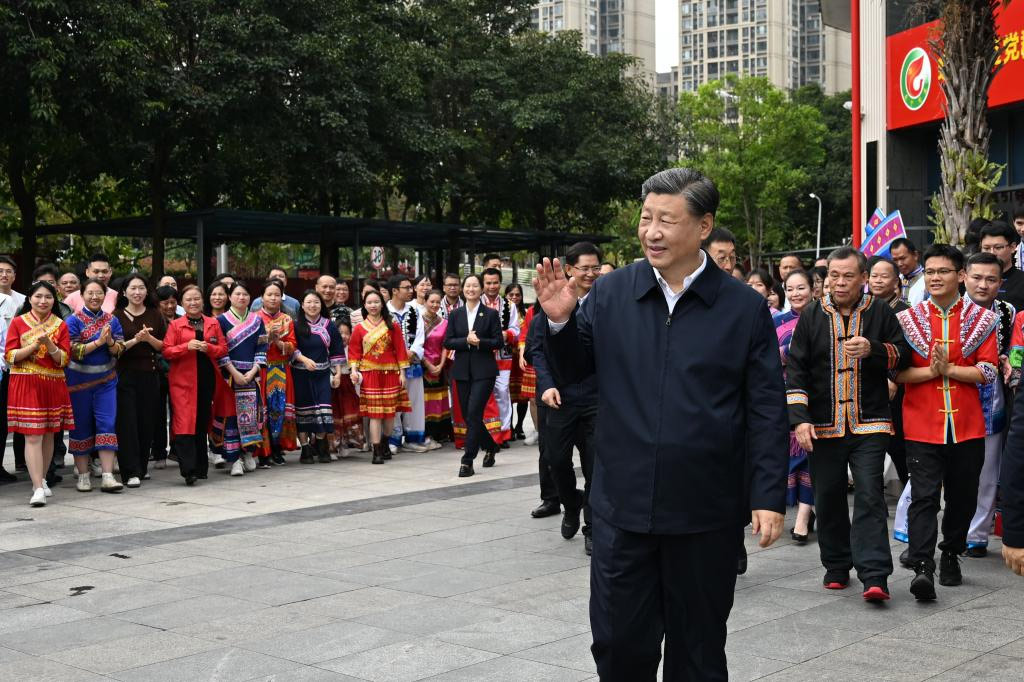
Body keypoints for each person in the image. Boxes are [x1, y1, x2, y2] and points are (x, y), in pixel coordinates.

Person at [534, 168, 787, 680]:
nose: (652, 231)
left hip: (704, 512)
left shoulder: (743, 308)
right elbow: (577, 373)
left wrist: (766, 495)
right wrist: (559, 323)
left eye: (667, 220)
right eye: (646, 218)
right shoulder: (610, 294)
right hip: (621, 509)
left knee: (697, 651)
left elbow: (765, 406)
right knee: (617, 643)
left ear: (703, 226)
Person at [786, 247, 909, 600]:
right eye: (833, 277)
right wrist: (799, 420)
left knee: (870, 494)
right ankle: (837, 565)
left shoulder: (881, 312)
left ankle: (875, 575)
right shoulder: (811, 316)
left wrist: (873, 349)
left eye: (848, 276)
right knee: (828, 495)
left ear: (864, 279)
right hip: (823, 425)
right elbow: (796, 370)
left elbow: (904, 353)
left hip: (870, 422)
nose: (839, 283)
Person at [895, 244, 998, 601]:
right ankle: (923, 566)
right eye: (930, 271)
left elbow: (988, 371)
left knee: (963, 497)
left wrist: (950, 369)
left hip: (968, 424)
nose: (935, 277)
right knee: (923, 497)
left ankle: (951, 551)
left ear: (960, 275)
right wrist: (931, 371)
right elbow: (899, 372)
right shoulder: (908, 320)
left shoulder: (982, 320)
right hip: (921, 424)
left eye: (943, 271)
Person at [530, 241, 603, 556]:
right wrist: (546, 385)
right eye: (584, 267)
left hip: (597, 400)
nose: (590, 273)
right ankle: (570, 502)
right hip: (559, 398)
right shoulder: (548, 306)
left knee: (595, 467)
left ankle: (592, 528)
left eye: (595, 267)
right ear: (569, 269)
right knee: (556, 460)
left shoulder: (608, 304)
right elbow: (536, 350)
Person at [961, 253, 1016, 558]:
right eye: (977, 277)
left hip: (992, 397)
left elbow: (1012, 349)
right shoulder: (949, 308)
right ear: (964, 277)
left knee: (987, 471)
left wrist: (1009, 362)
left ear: (1000, 282)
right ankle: (918, 530)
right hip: (953, 396)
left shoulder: (1007, 312)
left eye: (991, 279)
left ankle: (976, 536)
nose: (983, 285)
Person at [3, 281, 74, 506]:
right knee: (32, 435)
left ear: (55, 300)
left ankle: (41, 479)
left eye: (48, 297)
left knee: (48, 433)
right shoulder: (17, 323)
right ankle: (37, 487)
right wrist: (33, 347)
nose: (43, 301)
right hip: (25, 382)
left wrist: (49, 346)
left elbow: (63, 359)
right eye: (38, 296)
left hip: (52, 383)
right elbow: (10, 356)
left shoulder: (60, 325)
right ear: (30, 298)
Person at [163, 285, 228, 485]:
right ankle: (188, 470)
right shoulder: (176, 325)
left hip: (207, 378)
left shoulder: (212, 323)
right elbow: (167, 351)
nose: (193, 303)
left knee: (201, 422)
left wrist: (209, 347)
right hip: (182, 381)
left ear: (202, 301)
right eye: (189, 300)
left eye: (197, 299)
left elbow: (223, 348)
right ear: (182, 304)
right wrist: (186, 347)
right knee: (184, 423)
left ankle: (201, 468)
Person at [65, 279, 125, 493]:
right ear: (82, 295)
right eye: (90, 293)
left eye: (98, 293)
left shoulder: (112, 320)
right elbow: (73, 351)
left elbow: (119, 350)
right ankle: (83, 476)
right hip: (78, 383)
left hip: (106, 381)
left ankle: (108, 475)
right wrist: (98, 343)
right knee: (81, 426)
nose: (94, 297)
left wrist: (109, 343)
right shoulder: (73, 321)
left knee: (107, 423)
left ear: (104, 296)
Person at [772, 270, 816, 545]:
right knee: (791, 455)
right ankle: (804, 511)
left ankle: (802, 518)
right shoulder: (777, 321)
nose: (796, 293)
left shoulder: (822, 318)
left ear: (813, 288)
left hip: (817, 395)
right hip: (783, 394)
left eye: (801, 287)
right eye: (791, 289)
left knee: (811, 454)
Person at [444, 273, 502, 477]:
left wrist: (481, 343)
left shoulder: (491, 314)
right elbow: (448, 341)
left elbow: (498, 342)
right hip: (460, 370)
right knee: (470, 417)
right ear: (463, 289)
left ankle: (467, 460)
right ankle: (491, 446)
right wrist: (466, 341)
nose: (471, 289)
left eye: (475, 286)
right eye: (467, 286)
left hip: (484, 370)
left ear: (481, 289)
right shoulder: (455, 314)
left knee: (474, 412)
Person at [113, 274, 166, 487]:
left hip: (150, 373)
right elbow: (114, 350)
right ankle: (130, 471)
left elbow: (164, 346)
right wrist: (136, 340)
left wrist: (148, 339)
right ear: (124, 292)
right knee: (127, 423)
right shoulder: (115, 316)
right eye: (132, 288)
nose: (137, 292)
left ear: (147, 291)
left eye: (141, 288)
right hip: (124, 375)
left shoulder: (155, 314)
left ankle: (142, 467)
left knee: (146, 422)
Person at [348, 290, 410, 465]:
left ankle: (385, 442)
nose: (373, 305)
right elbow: (354, 352)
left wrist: (403, 373)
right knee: (375, 415)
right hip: (369, 375)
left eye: (376, 302)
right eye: (369, 302)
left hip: (391, 373)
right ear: (364, 305)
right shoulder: (359, 328)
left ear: (382, 304)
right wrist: (353, 370)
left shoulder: (392, 325)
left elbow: (400, 350)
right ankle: (376, 451)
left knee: (390, 414)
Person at [212, 282, 267, 476]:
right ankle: (233, 458)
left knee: (250, 416)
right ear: (230, 297)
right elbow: (220, 350)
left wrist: (253, 371)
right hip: (229, 376)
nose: (241, 297)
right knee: (231, 417)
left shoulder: (257, 320)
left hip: (251, 376)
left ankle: (248, 453)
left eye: (245, 294)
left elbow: (262, 347)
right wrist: (234, 372)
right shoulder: (221, 321)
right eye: (237, 294)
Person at [867, 256, 910, 485]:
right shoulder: (862, 308)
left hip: (897, 387)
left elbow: (908, 351)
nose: (878, 280)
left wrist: (893, 379)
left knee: (898, 445)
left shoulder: (906, 312)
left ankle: (909, 497)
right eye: (874, 275)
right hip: (868, 385)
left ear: (896, 282)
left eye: (884, 276)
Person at [292, 290, 345, 463]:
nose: (312, 306)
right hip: (300, 374)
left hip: (323, 374)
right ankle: (305, 448)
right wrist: (304, 359)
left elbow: (337, 350)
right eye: (308, 302)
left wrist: (337, 373)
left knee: (323, 410)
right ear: (302, 305)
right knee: (303, 411)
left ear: (321, 305)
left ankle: (322, 445)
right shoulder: (295, 325)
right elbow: (292, 348)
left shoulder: (329, 325)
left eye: (316, 302)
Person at [256, 279, 298, 467]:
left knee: (280, 409)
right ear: (262, 297)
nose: (273, 298)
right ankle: (263, 451)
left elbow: (293, 346)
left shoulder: (287, 319)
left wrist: (278, 341)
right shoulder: (255, 318)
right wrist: (267, 337)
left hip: (281, 368)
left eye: (277, 295)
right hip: (262, 368)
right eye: (269, 294)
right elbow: (250, 343)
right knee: (263, 409)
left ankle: (277, 447)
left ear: (282, 297)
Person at [386, 275, 429, 453]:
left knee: (415, 401)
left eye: (411, 287)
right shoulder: (384, 311)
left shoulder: (414, 311)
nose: (411, 291)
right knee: (393, 401)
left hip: (412, 363)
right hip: (391, 365)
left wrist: (413, 351)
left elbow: (420, 336)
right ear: (395, 291)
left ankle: (413, 438)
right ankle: (393, 438)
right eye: (406, 288)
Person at [481, 267, 519, 446]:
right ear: (483, 284)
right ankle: (486, 433)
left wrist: (505, 335)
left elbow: (515, 329)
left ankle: (503, 433)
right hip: (480, 356)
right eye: (488, 283)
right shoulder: (474, 302)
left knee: (502, 393)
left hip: (502, 356)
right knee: (482, 395)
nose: (492, 286)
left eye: (495, 282)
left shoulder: (508, 305)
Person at [152, 285, 180, 469]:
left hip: (179, 372)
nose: (169, 306)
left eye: (172, 302)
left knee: (178, 412)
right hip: (159, 373)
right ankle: (159, 452)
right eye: (165, 302)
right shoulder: (154, 320)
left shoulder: (182, 319)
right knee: (158, 414)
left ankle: (177, 451)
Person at [421, 290, 453, 445]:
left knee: (440, 400)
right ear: (425, 301)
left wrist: (440, 364)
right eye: (431, 301)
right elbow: (416, 345)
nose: (434, 305)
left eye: (437, 302)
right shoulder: (418, 321)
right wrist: (427, 364)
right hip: (422, 366)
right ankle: (427, 433)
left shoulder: (444, 322)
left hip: (440, 366)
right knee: (425, 401)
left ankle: (440, 432)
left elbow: (445, 345)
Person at [330, 318, 362, 453]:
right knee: (335, 416)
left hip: (348, 386)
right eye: (340, 332)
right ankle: (332, 447)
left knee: (350, 413)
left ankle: (345, 444)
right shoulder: (329, 349)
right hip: (334, 387)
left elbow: (359, 368)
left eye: (347, 333)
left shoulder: (353, 350)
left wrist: (358, 377)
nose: (343, 336)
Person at [979, 219, 1024, 312]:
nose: (992, 253)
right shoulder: (971, 281)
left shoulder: (1021, 281)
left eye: (998, 247)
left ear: (1012, 247)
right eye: (986, 248)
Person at [505, 283, 530, 440]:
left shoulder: (526, 313)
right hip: (508, 358)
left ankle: (520, 425)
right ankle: (510, 426)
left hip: (522, 358)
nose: (514, 297)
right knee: (508, 395)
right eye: (511, 294)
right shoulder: (503, 312)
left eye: (517, 294)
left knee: (522, 396)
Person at [890, 238, 927, 305]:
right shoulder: (894, 282)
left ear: (915, 255)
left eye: (903, 258)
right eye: (895, 260)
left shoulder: (928, 281)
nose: (899, 264)